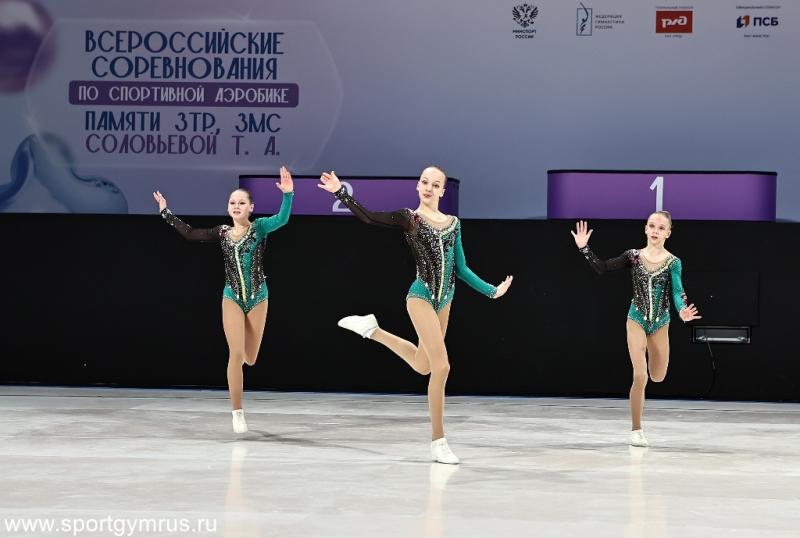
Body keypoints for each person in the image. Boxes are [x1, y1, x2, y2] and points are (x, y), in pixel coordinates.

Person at [318, 167, 513, 463]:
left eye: (435, 184)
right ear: (418, 186)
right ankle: (438, 441)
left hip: (445, 301)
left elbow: (461, 269)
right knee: (442, 367)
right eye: (424, 182)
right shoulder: (409, 218)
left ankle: (373, 330)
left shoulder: (453, 224)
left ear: (443, 191)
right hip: (420, 297)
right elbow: (369, 217)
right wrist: (340, 193)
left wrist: (491, 291)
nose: (429, 188)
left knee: (424, 365)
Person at [153, 167, 294, 433]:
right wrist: (165, 213)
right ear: (228, 208)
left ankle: (242, 381)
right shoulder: (222, 233)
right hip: (231, 297)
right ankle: (237, 413)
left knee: (250, 358)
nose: (236, 206)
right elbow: (190, 233)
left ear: (251, 207)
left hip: (258, 297)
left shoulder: (260, 228)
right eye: (232, 203)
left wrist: (288, 195)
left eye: (241, 202)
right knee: (236, 354)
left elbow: (282, 219)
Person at [571, 213, 701, 446]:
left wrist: (682, 310)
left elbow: (677, 291)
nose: (655, 230)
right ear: (645, 229)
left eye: (661, 227)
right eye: (652, 225)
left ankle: (653, 364)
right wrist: (584, 249)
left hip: (660, 323)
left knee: (658, 376)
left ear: (668, 233)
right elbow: (602, 267)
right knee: (640, 375)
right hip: (636, 319)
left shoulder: (673, 262)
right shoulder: (633, 256)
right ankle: (636, 430)